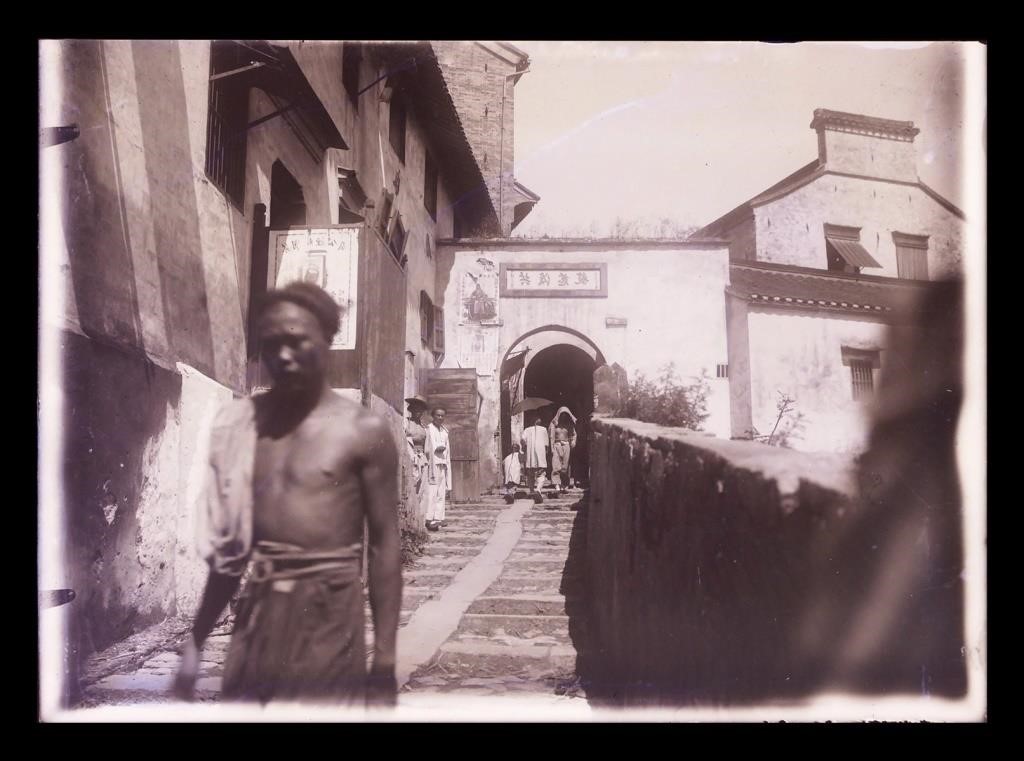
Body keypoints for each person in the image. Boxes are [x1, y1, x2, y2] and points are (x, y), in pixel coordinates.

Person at [173, 281, 401, 708]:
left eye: (296, 341)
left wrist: (385, 661)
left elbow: (385, 545)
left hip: (329, 615)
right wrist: (197, 638)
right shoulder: (245, 427)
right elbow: (231, 553)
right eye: (271, 344)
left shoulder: (362, 431)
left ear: (327, 341)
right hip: (258, 617)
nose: (282, 355)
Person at [424, 407, 451, 531]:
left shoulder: (444, 431)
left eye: (442, 416)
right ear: (432, 416)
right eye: (438, 415)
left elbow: (447, 450)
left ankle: (438, 517)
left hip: (442, 464)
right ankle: (429, 519)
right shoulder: (429, 429)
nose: (440, 418)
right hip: (433, 463)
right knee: (432, 491)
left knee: (441, 491)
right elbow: (428, 447)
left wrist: (446, 461)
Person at [405, 395, 430, 526]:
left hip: (422, 459)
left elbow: (427, 445)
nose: (418, 412)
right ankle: (409, 520)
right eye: (416, 409)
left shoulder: (423, 426)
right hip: (411, 458)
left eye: (421, 410)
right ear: (411, 409)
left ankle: (419, 521)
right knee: (412, 487)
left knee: (422, 490)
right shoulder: (407, 424)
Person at [520, 412, 549, 502]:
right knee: (541, 473)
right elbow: (546, 444)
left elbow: (522, 440)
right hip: (540, 454)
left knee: (531, 474)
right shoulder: (544, 429)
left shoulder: (527, 430)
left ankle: (532, 490)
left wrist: (525, 448)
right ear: (538, 421)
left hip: (530, 456)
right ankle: (538, 490)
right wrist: (546, 452)